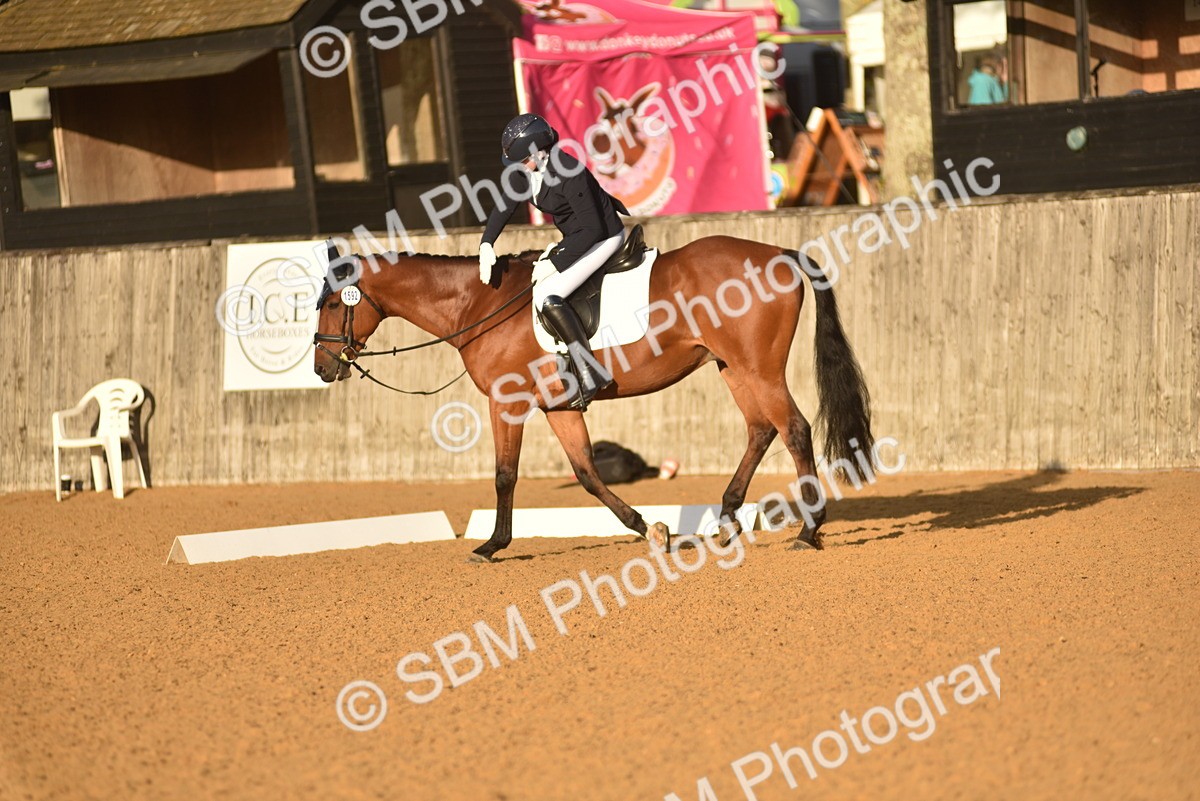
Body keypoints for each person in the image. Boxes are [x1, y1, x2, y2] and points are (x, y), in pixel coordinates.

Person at [478, 113, 630, 410]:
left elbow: (593, 229)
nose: (518, 169)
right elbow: (505, 205)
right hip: (576, 238)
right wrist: (486, 242)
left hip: (603, 239)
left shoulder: (570, 172)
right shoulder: (527, 170)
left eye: (522, 162)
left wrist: (557, 261)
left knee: (549, 295)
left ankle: (589, 373)